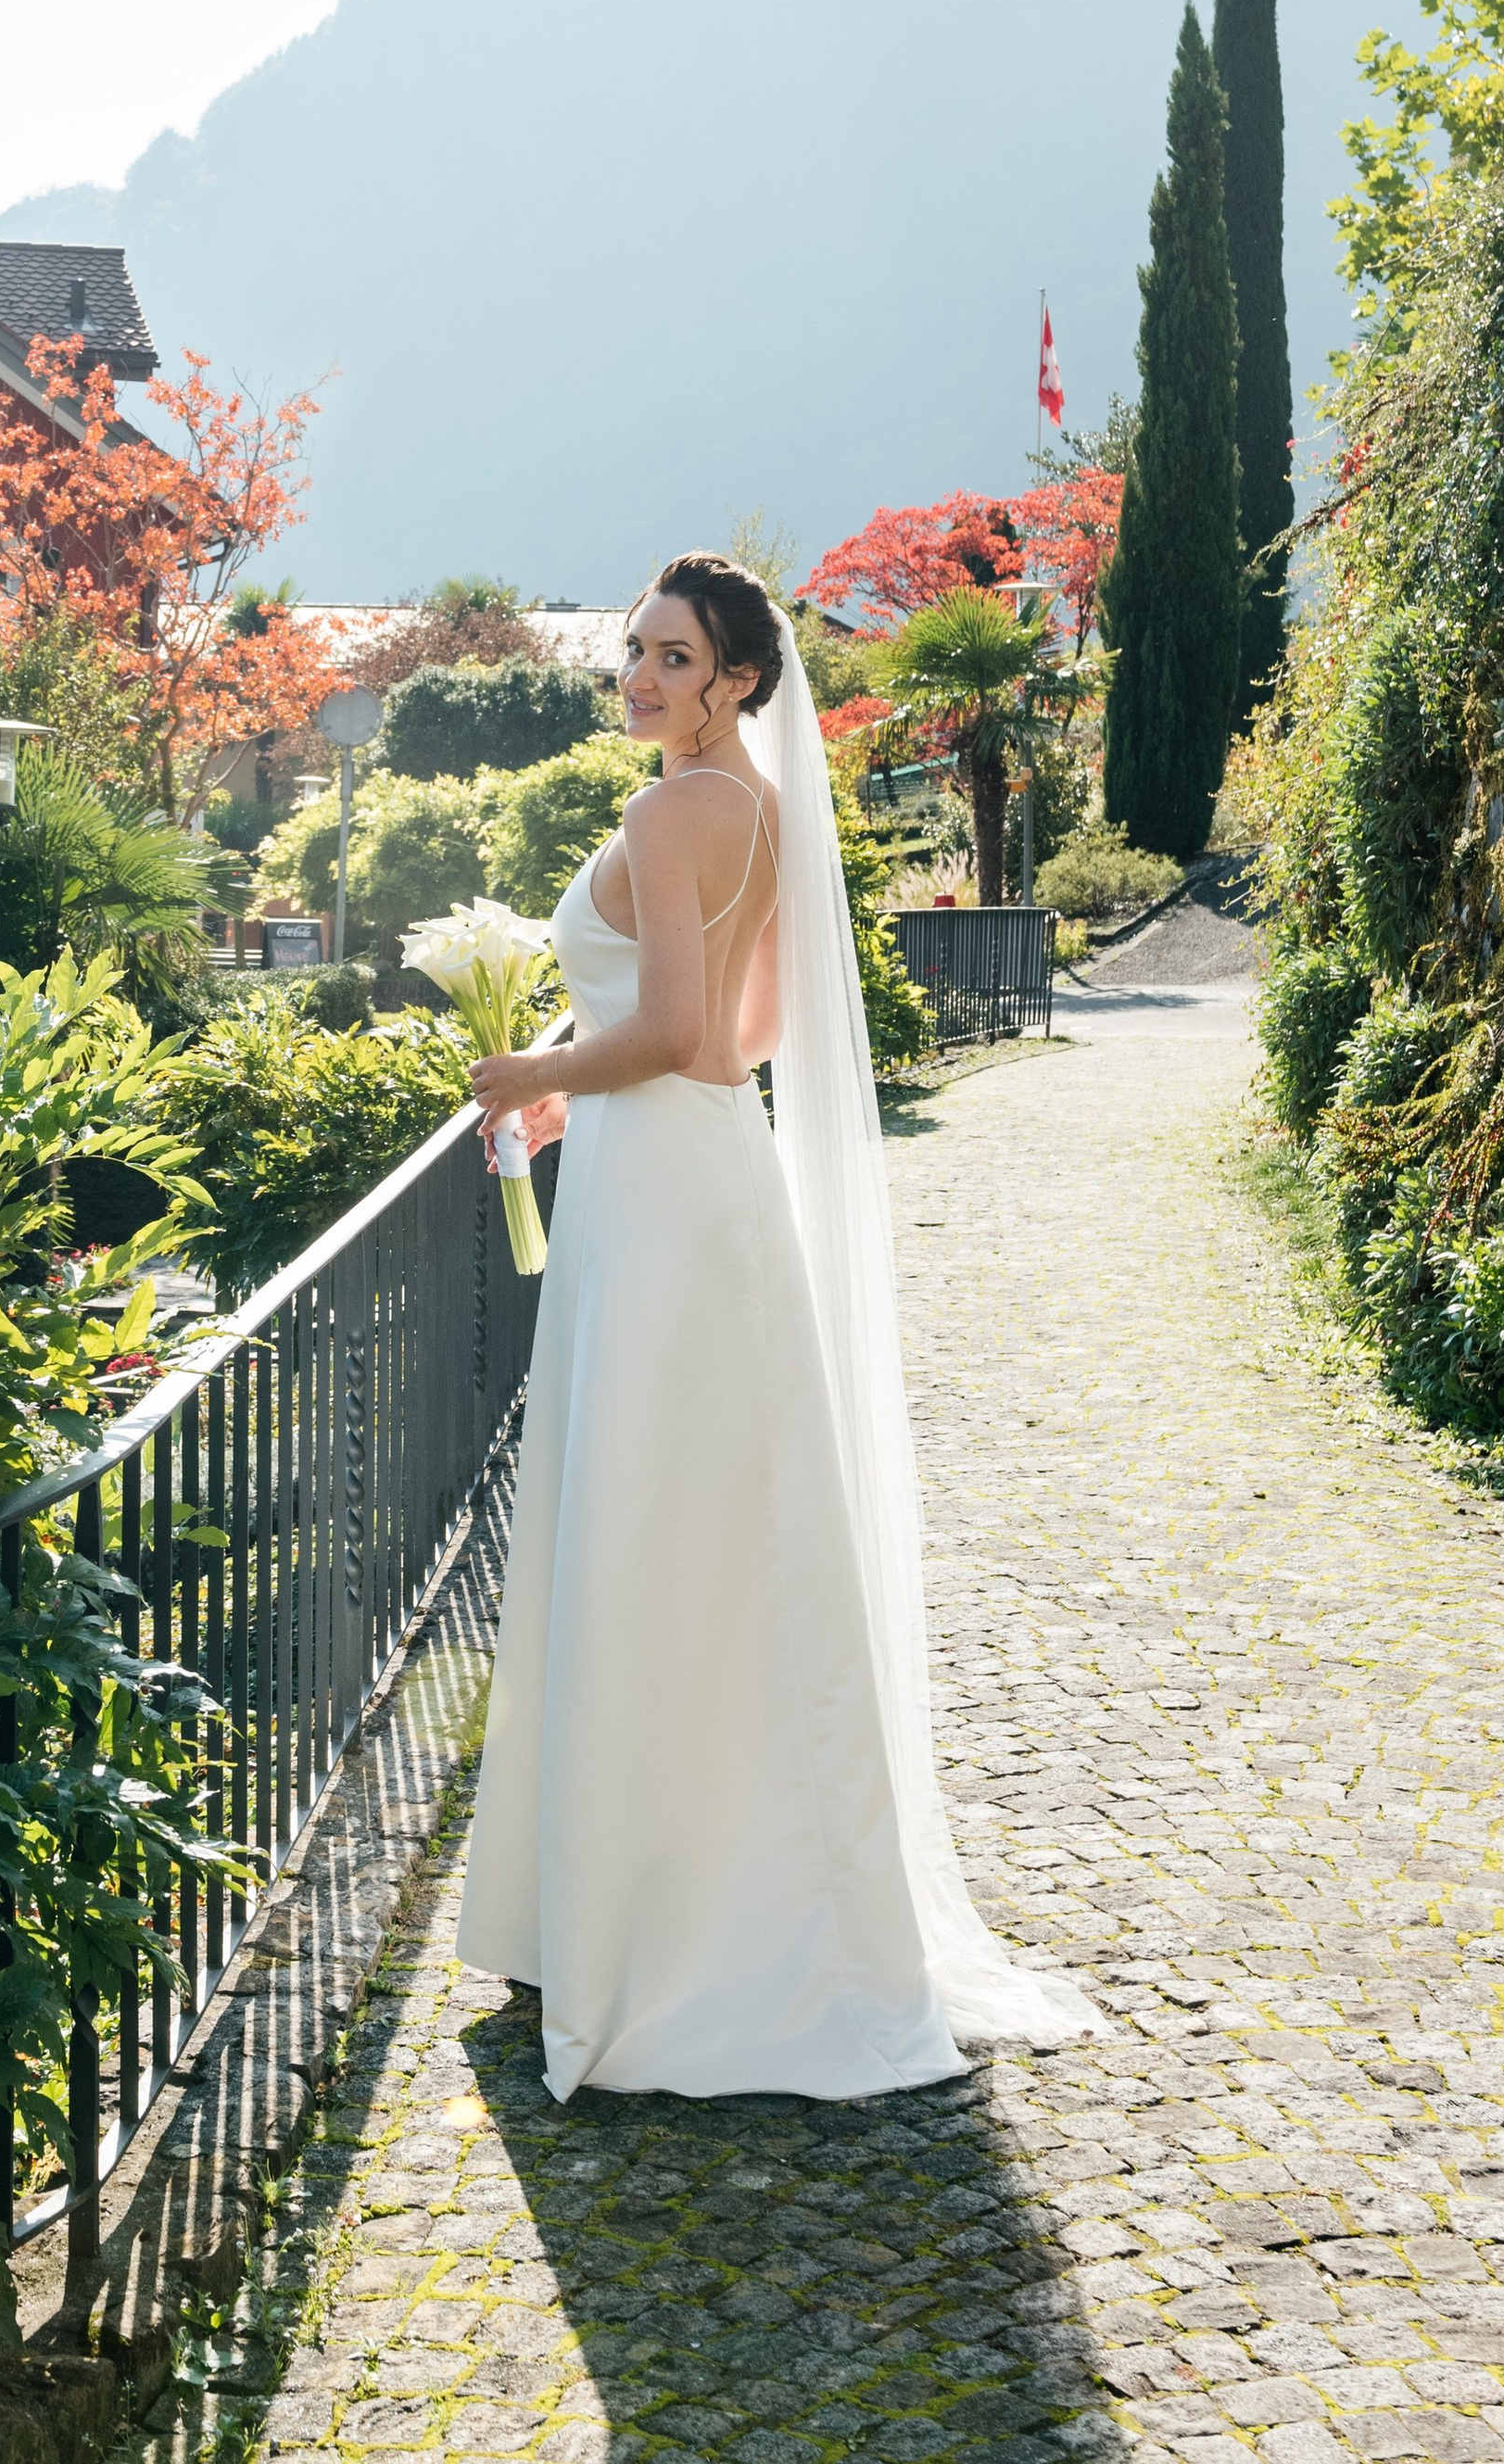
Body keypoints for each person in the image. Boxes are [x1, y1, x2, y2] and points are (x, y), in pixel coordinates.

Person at [457, 550, 1093, 2100]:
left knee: (642, 1530)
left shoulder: (670, 810)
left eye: (673, 658)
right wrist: (572, 1074)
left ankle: (645, 1929)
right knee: (716, 1537)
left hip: (660, 1204)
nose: (641, 680)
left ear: (739, 678)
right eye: (633, 654)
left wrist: (532, 1082)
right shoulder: (764, 811)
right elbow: (746, 1032)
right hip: (705, 1180)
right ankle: (711, 1899)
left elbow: (675, 1032)